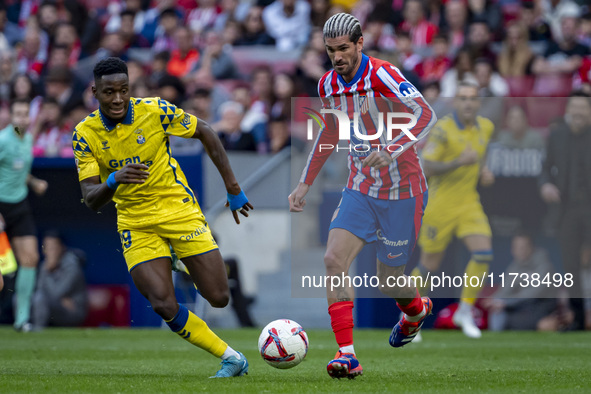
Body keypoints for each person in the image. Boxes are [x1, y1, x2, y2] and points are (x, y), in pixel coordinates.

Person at [72, 57, 253, 377]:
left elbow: (207, 131)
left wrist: (233, 188)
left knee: (219, 297)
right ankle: (232, 358)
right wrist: (113, 179)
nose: (117, 98)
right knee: (162, 303)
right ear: (94, 92)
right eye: (109, 92)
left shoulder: (155, 110)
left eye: (123, 90)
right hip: (135, 221)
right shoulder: (84, 134)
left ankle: (178, 258)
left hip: (177, 210)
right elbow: (90, 199)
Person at [289, 13, 437, 379]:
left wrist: (392, 148)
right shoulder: (327, 84)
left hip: (404, 191)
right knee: (333, 259)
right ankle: (347, 354)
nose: (337, 57)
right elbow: (329, 132)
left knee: (389, 279)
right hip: (360, 188)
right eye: (330, 50)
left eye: (343, 49)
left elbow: (426, 114)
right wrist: (306, 182)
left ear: (359, 44)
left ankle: (417, 311)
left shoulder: (383, 74)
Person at [412, 82, 495, 339]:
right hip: (441, 205)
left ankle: (465, 309)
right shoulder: (443, 129)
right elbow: (428, 167)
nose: (468, 103)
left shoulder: (486, 127)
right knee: (429, 265)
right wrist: (461, 162)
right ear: (455, 102)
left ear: (478, 103)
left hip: (469, 202)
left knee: (483, 253)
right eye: (463, 98)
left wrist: (482, 170)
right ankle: (411, 316)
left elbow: (480, 155)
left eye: (472, 98)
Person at [539, 91, 591, 331]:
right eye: (574, 107)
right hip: (567, 209)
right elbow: (545, 168)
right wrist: (546, 184)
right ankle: (578, 321)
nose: (578, 112)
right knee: (570, 267)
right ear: (568, 110)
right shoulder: (557, 136)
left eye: (583, 108)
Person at [0, 98, 48, 331]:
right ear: (10, 116)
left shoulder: (27, 138)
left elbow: (15, 169)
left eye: (24, 114)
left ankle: (22, 320)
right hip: (0, 206)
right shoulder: (3, 140)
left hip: (19, 205)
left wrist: (33, 182)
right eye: (17, 114)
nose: (21, 118)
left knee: (30, 259)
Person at [484, 231, 557, 331]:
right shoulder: (515, 266)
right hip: (521, 306)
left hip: (541, 305)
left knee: (508, 316)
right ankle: (495, 340)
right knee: (497, 311)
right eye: (517, 247)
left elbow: (533, 293)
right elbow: (505, 289)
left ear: (532, 247)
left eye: (524, 247)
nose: (521, 250)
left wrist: (505, 302)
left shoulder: (543, 264)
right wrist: (494, 299)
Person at [31, 230, 88, 329]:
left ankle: (38, 330)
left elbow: (56, 294)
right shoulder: (44, 264)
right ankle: (23, 326)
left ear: (62, 248)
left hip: (72, 312)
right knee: (19, 298)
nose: (49, 251)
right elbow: (38, 289)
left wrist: (47, 272)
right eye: (46, 247)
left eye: (53, 247)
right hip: (54, 307)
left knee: (40, 298)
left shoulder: (71, 266)